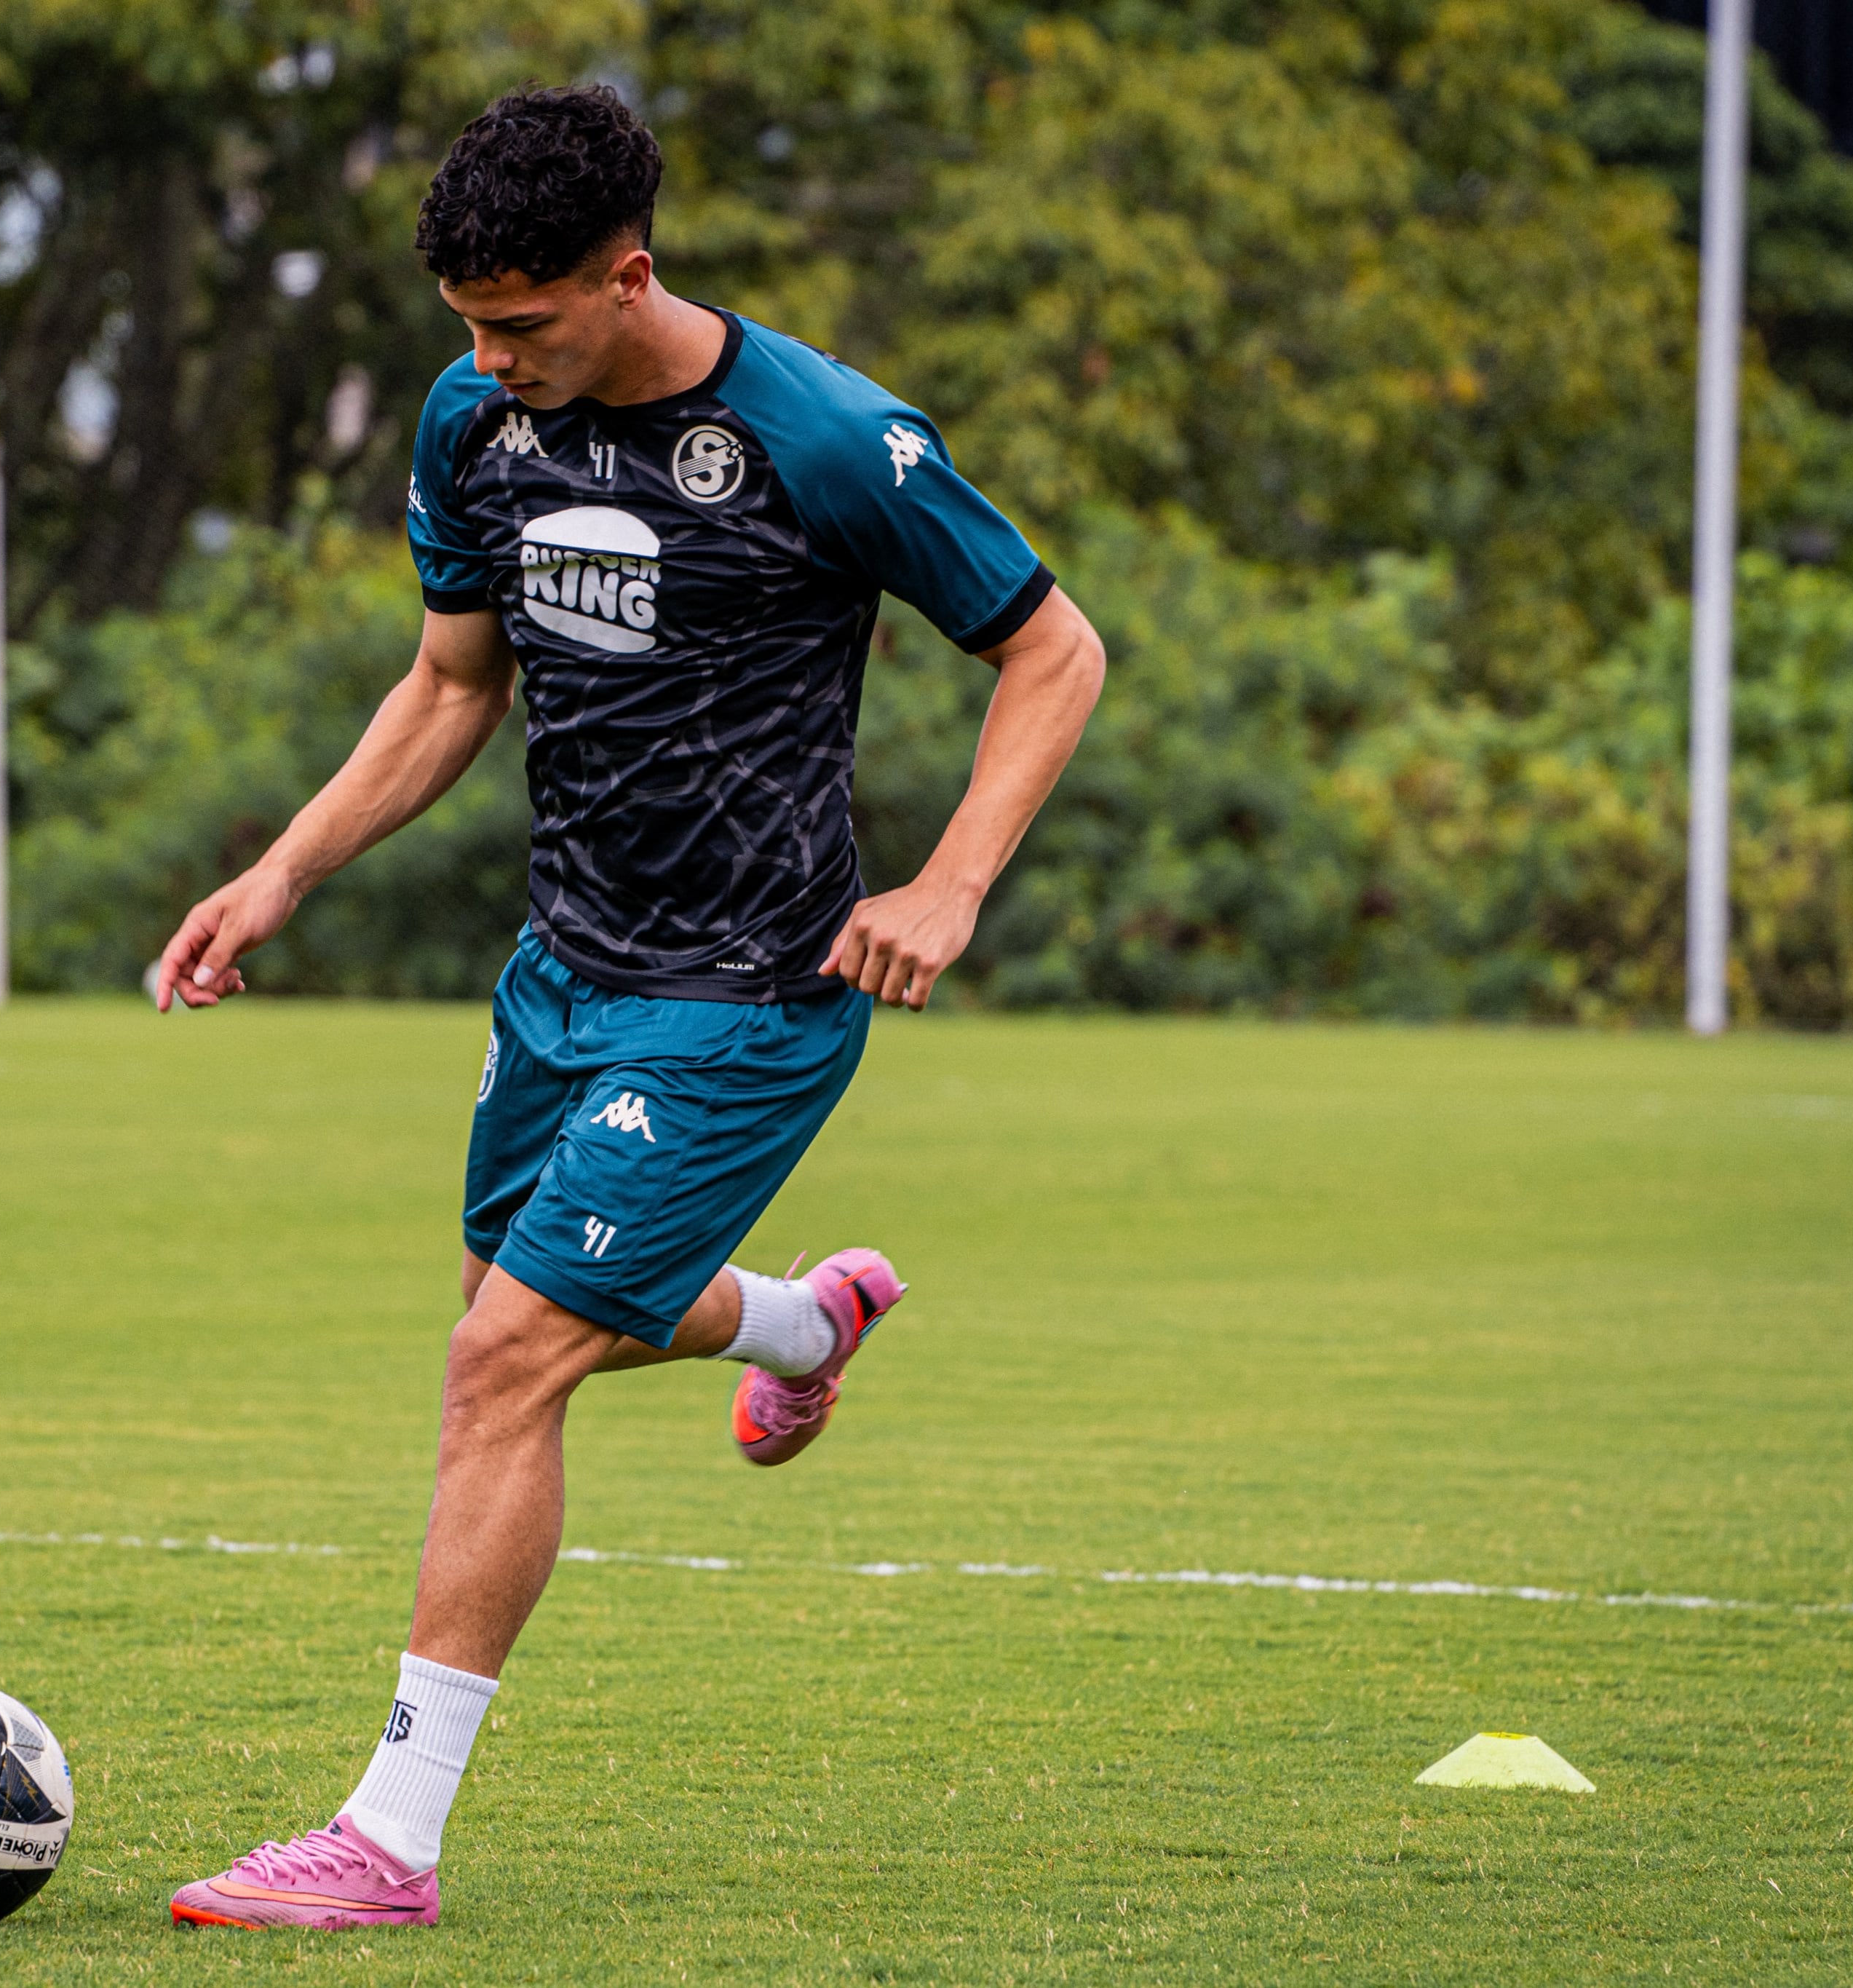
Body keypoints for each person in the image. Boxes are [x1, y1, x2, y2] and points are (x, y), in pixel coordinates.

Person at [156, 82, 1106, 1931]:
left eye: (523, 323)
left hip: (752, 991)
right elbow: (449, 687)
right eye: (466, 328)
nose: (491, 359)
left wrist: (949, 883)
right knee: (524, 1317)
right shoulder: (474, 422)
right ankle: (798, 1327)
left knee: (503, 1359)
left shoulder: (821, 435)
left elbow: (1051, 648)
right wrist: (280, 870)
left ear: (629, 274)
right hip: (562, 974)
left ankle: (384, 1844)